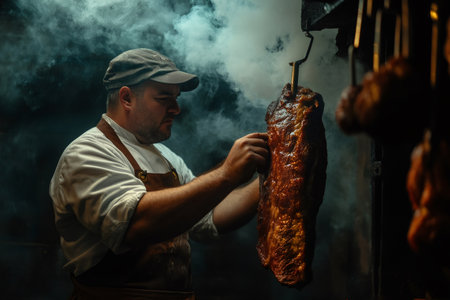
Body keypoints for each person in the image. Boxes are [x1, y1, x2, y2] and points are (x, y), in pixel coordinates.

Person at [49, 48, 269, 300]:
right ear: (126, 98)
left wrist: (267, 179)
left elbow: (209, 218)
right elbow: (135, 225)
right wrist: (226, 175)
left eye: (176, 98)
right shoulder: (87, 153)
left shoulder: (165, 156)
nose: (176, 109)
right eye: (164, 98)